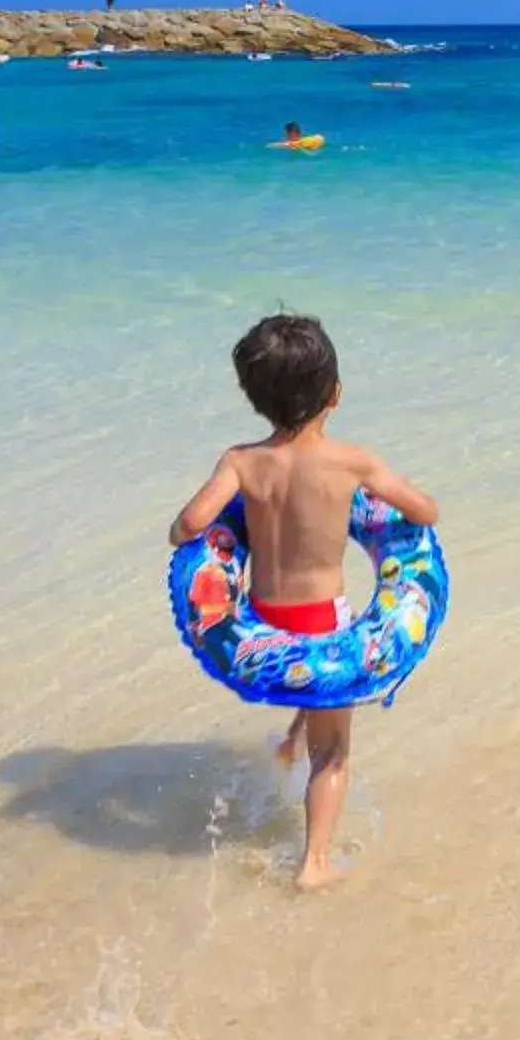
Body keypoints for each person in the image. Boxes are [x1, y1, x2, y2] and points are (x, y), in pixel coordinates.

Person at [167, 314, 440, 890]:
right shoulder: (353, 463)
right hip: (323, 621)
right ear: (335, 393)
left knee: (305, 675)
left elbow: (190, 524)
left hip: (262, 617)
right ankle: (314, 862)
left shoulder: (240, 462)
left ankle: (291, 741)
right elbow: (422, 511)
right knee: (335, 750)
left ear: (254, 398)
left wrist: (196, 529)